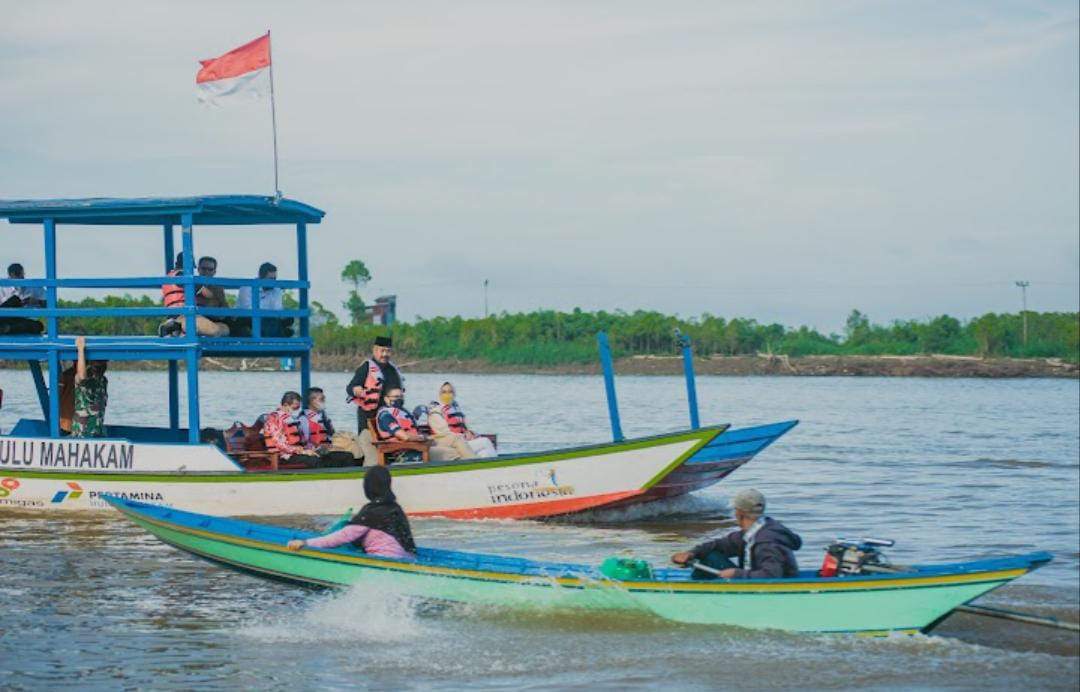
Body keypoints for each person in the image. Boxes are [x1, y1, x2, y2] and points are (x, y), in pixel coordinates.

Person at [286, 466, 416, 560]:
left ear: (368, 488)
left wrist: (306, 543)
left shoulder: (371, 512)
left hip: (383, 561)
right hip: (407, 558)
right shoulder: (395, 508)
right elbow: (409, 544)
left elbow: (341, 537)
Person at [670, 489, 802, 580]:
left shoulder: (767, 541)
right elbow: (719, 545)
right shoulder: (755, 531)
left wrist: (736, 574)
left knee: (711, 560)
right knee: (711, 556)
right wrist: (692, 553)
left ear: (738, 513)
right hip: (754, 581)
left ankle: (693, 596)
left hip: (770, 588)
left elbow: (772, 575)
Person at [346, 335, 404, 464]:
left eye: (388, 351)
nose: (385, 354)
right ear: (374, 350)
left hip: (390, 423)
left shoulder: (393, 370)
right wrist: (356, 390)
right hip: (368, 422)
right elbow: (350, 388)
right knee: (373, 456)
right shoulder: (366, 367)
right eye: (382, 351)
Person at [262, 391, 351, 468]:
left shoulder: (292, 419)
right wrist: (302, 451)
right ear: (285, 405)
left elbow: (303, 440)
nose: (296, 410)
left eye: (298, 407)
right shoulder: (274, 419)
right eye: (294, 407)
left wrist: (312, 449)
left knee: (345, 456)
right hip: (284, 456)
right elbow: (280, 444)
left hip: (300, 452)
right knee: (315, 461)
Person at [159, 253, 229, 337]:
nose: (206, 272)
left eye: (210, 269)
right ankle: (175, 328)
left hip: (174, 314)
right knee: (217, 330)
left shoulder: (169, 277)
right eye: (203, 269)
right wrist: (216, 291)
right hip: (186, 315)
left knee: (223, 328)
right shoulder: (186, 278)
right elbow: (208, 294)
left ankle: (176, 329)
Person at [433, 381, 497, 458]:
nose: (447, 394)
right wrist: (462, 436)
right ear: (440, 395)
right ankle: (498, 466)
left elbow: (466, 427)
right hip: (455, 444)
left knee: (485, 453)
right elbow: (444, 434)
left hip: (465, 442)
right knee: (485, 442)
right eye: (444, 392)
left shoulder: (456, 409)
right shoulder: (437, 412)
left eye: (450, 392)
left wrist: (470, 432)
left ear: (454, 394)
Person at [302, 387, 359, 465]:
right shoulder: (304, 419)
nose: (324, 401)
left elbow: (331, 433)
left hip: (328, 445)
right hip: (317, 450)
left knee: (355, 445)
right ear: (312, 401)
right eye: (321, 399)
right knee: (348, 455)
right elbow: (304, 440)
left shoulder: (323, 415)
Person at [236, 262, 293, 337]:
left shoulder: (276, 289)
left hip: (269, 319)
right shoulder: (247, 288)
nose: (273, 282)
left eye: (274, 279)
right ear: (260, 277)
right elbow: (249, 309)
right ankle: (279, 334)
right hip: (249, 319)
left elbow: (277, 309)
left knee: (289, 318)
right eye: (270, 279)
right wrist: (269, 313)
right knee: (265, 321)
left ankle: (276, 333)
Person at [375, 387, 427, 463]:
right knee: (447, 453)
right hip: (402, 453)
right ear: (386, 399)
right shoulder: (385, 416)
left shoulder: (401, 412)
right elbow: (404, 436)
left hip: (418, 448)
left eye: (401, 397)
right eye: (396, 397)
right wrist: (422, 437)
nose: (399, 399)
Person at [70, 336, 109, 438]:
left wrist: (81, 350)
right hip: (82, 435)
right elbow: (82, 376)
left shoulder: (102, 380)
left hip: (96, 433)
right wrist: (81, 350)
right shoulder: (87, 381)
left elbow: (83, 376)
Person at [0, 262, 46, 335]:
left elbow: (50, 304)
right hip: (6, 318)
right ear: (10, 275)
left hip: (23, 320)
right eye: (17, 275)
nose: (20, 278)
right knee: (15, 300)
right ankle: (8, 328)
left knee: (38, 325)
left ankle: (8, 329)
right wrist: (18, 302)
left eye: (21, 275)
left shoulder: (34, 287)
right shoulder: (2, 287)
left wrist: (37, 302)